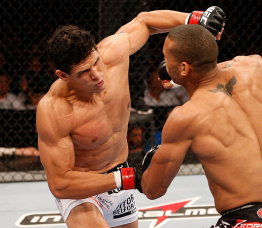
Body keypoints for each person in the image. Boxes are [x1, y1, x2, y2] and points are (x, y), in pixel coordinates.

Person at [36, 6, 225, 228]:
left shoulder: (112, 54)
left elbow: (145, 21)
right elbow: (60, 183)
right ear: (63, 76)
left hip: (120, 174)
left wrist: (194, 20)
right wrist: (128, 178)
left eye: (96, 61)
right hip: (82, 190)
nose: (97, 75)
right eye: (84, 72)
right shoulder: (54, 109)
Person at [141, 25, 262, 228]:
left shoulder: (185, 117)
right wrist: (208, 65)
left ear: (184, 68)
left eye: (167, 57)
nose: (164, 63)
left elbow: (153, 190)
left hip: (247, 222)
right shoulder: (251, 73)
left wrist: (143, 172)